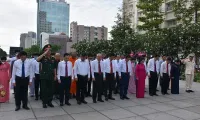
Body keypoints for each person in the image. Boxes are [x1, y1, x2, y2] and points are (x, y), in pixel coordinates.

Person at [37, 44, 57, 108]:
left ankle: (49, 102)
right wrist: (44, 53)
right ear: (44, 51)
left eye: (50, 50)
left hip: (51, 76)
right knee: (44, 90)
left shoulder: (53, 58)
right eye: (47, 50)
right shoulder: (43, 57)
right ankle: (44, 102)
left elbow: (54, 68)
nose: (49, 51)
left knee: (51, 90)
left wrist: (55, 75)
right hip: (44, 76)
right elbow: (37, 59)